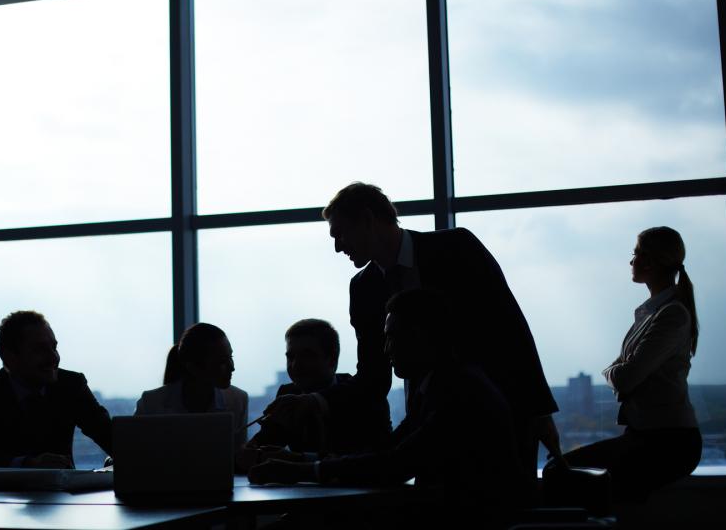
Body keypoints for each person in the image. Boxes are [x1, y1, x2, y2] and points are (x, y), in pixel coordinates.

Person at [264, 182, 561, 487]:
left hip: (501, 409)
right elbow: (374, 377)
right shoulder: (363, 289)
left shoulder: (457, 249)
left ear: (367, 220)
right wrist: (313, 402)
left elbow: (509, 328)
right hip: (429, 418)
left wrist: (538, 411)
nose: (338, 247)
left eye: (340, 234)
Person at [250, 289, 531, 527]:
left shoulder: (458, 392)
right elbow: (390, 452)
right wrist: (303, 461)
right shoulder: (443, 385)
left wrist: (301, 470)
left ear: (421, 336)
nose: (386, 350)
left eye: (392, 337)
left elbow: (396, 464)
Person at [560, 226, 702, 501]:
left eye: (636, 254)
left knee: (569, 477)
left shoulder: (671, 315)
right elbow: (627, 370)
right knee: (569, 475)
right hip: (650, 437)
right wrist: (621, 368)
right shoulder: (654, 312)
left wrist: (612, 370)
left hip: (668, 443)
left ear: (650, 261)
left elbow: (625, 377)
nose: (631, 261)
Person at [0, 310, 113, 468]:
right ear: (10, 357)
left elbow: (109, 436)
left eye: (54, 347)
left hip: (63, 491)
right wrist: (27, 463)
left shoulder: (71, 385)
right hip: (6, 491)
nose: (54, 357)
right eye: (40, 349)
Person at [247, 318, 390, 456]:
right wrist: (251, 451)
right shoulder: (288, 393)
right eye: (290, 357)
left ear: (332, 359)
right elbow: (263, 445)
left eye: (307, 356)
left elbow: (373, 459)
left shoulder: (363, 394)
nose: (295, 365)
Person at [135, 322, 249, 448]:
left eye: (230, 357)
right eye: (221, 361)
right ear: (193, 367)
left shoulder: (239, 400)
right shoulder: (150, 403)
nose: (232, 367)